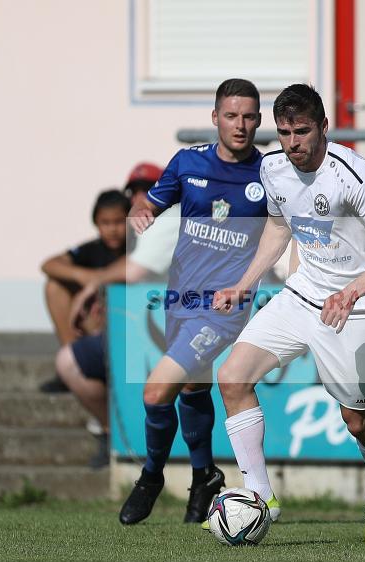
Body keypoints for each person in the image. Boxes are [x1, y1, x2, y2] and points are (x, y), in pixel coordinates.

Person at [213, 84, 365, 544]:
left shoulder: (354, 174)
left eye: (302, 131)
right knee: (232, 378)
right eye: (284, 132)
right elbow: (280, 226)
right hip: (304, 294)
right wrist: (244, 285)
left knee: (358, 422)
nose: (293, 143)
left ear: (324, 126)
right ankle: (261, 498)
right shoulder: (273, 168)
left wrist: (352, 292)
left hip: (362, 304)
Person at [118, 78, 269, 525]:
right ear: (215, 118)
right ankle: (204, 476)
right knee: (192, 387)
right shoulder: (188, 163)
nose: (240, 125)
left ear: (258, 120)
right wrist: (141, 212)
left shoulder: (266, 175)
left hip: (224, 308)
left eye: (248, 117)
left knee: (155, 390)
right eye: (231, 116)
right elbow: (150, 204)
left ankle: (150, 477)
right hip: (180, 298)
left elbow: (282, 233)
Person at [55, 165, 179, 470]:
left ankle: (121, 437)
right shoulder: (136, 227)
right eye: (133, 191)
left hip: (166, 329)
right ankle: (114, 431)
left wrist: (95, 283)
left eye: (148, 188)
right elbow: (51, 265)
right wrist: (91, 280)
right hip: (145, 329)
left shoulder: (168, 219)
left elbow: (135, 271)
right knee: (57, 291)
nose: (139, 196)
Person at [39, 189, 133, 392]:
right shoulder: (92, 250)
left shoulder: (140, 248)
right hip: (94, 322)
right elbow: (48, 264)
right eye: (105, 223)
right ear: (96, 223)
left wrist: (100, 281)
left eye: (118, 222)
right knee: (54, 286)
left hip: (127, 324)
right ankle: (73, 360)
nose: (113, 229)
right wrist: (84, 277)